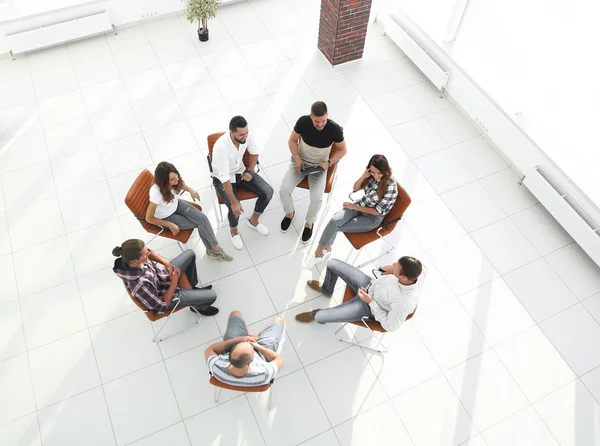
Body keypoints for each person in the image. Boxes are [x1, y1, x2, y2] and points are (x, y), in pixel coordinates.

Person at [304, 154, 398, 269]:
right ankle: (326, 249)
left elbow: (378, 212)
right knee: (334, 221)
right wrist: (364, 176)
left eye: (379, 173)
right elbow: (355, 188)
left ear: (385, 170)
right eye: (373, 172)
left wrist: (353, 207)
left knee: (337, 226)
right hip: (361, 204)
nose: (376, 176)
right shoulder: (370, 175)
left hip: (372, 218)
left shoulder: (391, 187)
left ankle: (318, 254)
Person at [280, 101, 347, 243]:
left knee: (317, 199)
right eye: (317, 121)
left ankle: (309, 223)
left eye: (323, 121)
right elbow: (292, 140)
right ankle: (290, 213)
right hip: (300, 163)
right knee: (283, 190)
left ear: (327, 116)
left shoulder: (334, 129)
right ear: (311, 116)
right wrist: (297, 157)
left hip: (319, 168)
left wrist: (328, 163)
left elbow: (343, 149)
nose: (320, 124)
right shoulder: (303, 122)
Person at [295, 257, 422, 332]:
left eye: (396, 268)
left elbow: (390, 326)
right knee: (332, 263)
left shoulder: (403, 303)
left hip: (368, 306)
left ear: (404, 277)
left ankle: (316, 315)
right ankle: (326, 290)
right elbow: (384, 277)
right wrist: (386, 269)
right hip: (369, 284)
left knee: (320, 316)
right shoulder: (413, 272)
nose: (393, 266)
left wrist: (370, 302)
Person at [146, 161, 232, 261]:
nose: (176, 179)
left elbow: (180, 184)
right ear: (164, 182)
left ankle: (212, 250)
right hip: (166, 217)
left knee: (202, 219)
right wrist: (169, 224)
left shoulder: (175, 180)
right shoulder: (156, 193)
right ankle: (215, 250)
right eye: (172, 179)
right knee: (200, 223)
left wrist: (191, 190)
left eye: (176, 176)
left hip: (176, 204)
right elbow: (149, 218)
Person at [212, 116, 273, 251]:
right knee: (235, 209)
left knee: (268, 192)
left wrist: (250, 171)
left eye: (246, 133)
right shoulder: (221, 148)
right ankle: (233, 230)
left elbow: (255, 150)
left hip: (240, 170)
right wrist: (234, 202)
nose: (245, 136)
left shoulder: (246, 136)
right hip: (223, 178)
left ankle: (254, 221)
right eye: (241, 134)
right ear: (231, 133)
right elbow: (225, 178)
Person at [112, 239, 219, 316]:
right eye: (145, 254)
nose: (148, 253)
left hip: (163, 277)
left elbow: (150, 253)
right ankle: (198, 307)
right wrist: (174, 282)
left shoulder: (130, 257)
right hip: (168, 296)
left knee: (190, 254)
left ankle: (192, 291)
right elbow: (162, 305)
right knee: (212, 296)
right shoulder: (140, 285)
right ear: (134, 261)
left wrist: (167, 264)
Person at [205, 311, 285, 387]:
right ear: (249, 363)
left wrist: (239, 340)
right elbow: (279, 359)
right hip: (261, 352)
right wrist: (257, 346)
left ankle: (251, 337)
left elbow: (210, 349)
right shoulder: (264, 374)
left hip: (241, 344)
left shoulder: (216, 366)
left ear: (228, 355)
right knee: (278, 320)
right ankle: (257, 338)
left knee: (235, 314)